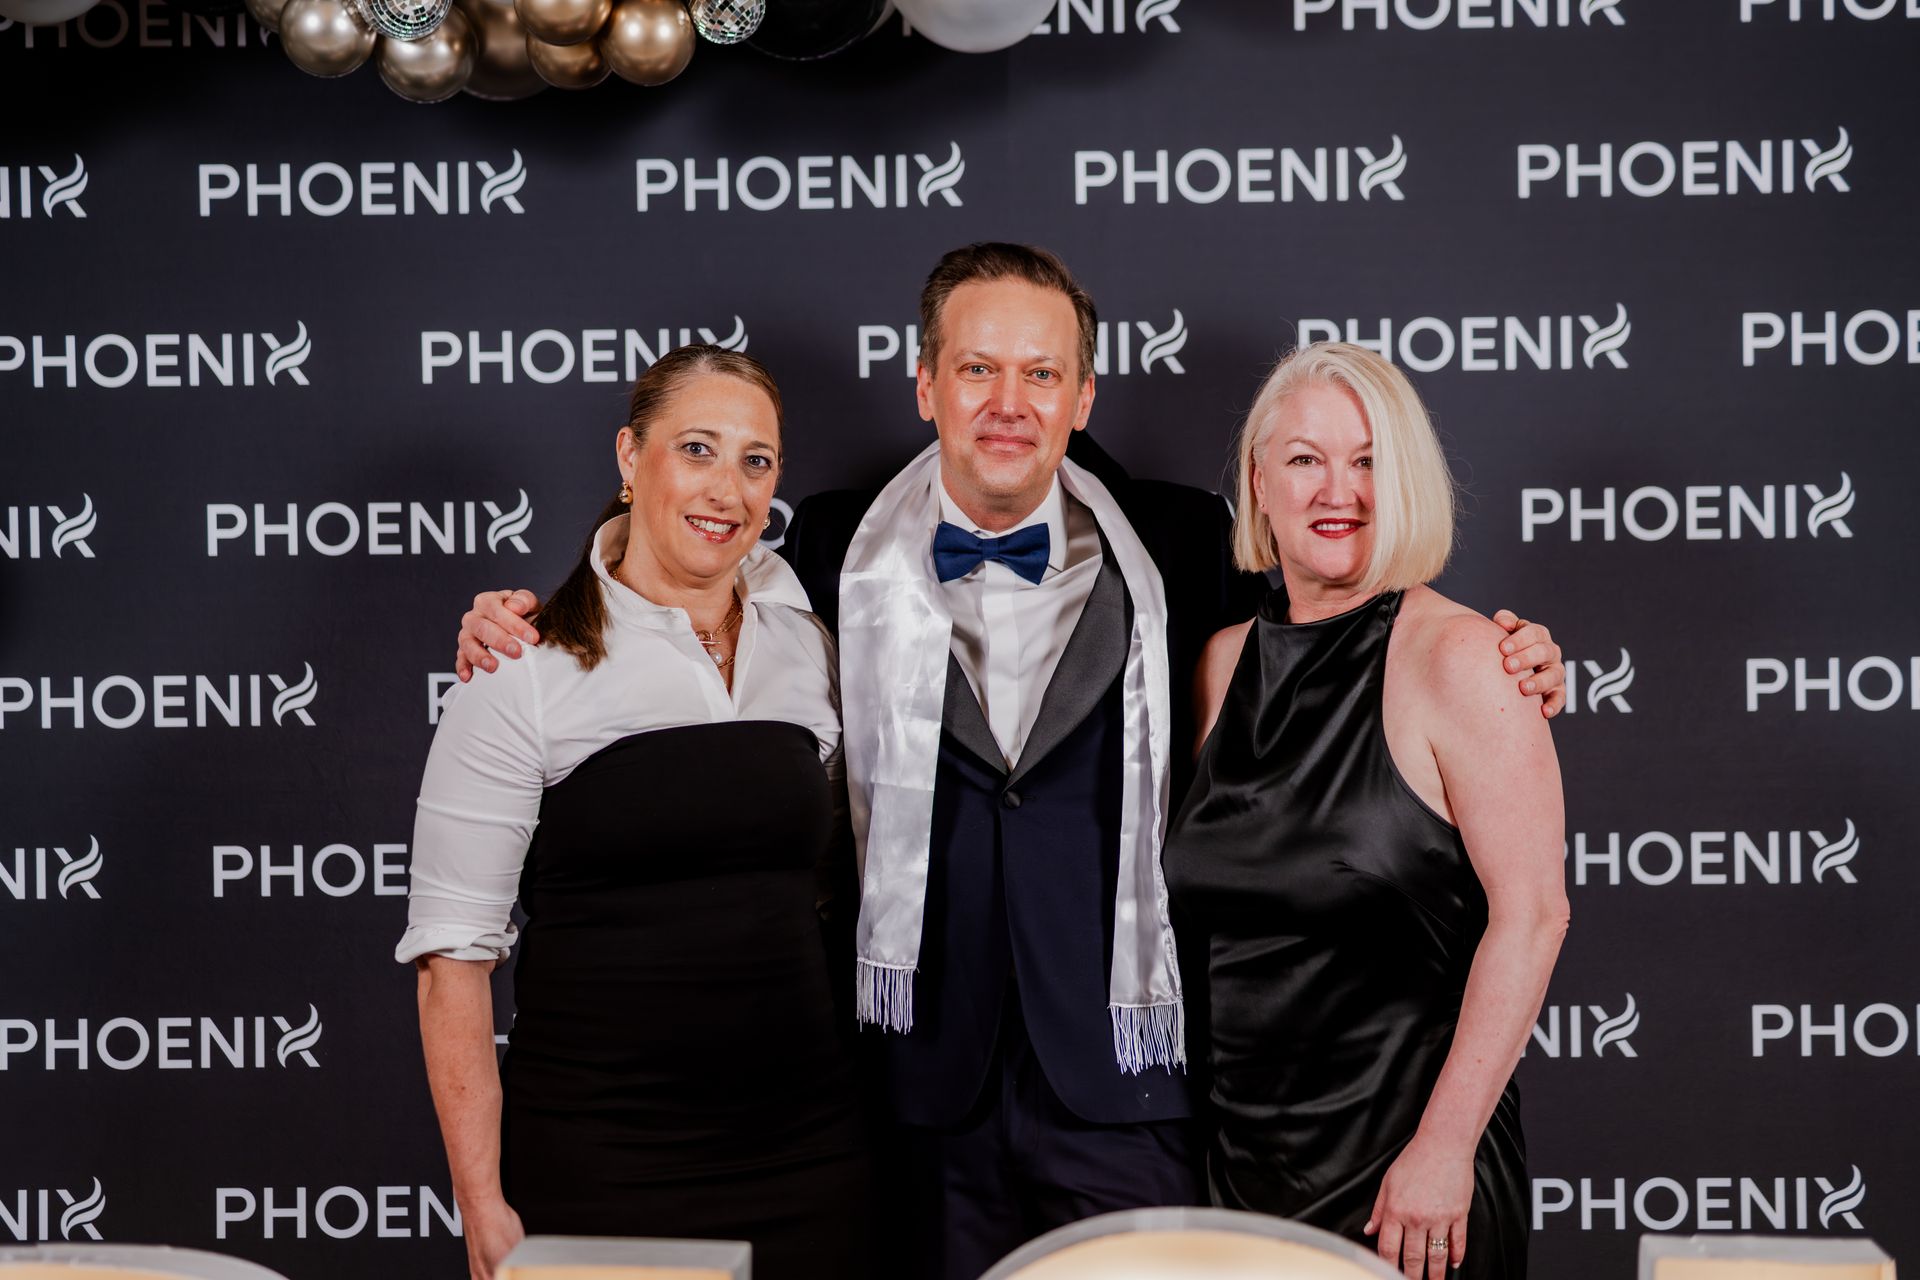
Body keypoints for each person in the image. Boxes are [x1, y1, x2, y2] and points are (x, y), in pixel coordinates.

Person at [454, 246, 1567, 1280]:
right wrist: (534, 620)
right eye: (978, 366)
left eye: (1042, 372)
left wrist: (1516, 652)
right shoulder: (834, 547)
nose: (1009, 401)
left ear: (1083, 399)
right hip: (914, 1087)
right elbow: (682, 581)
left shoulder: (1182, 543)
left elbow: (1345, 625)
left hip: (1132, 1092)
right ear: (926, 384)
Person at [399, 345, 869, 1280]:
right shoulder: (520, 673)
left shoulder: (807, 641)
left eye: (755, 460)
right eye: (696, 448)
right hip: (599, 1158)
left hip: (808, 1152)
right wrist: (481, 1201)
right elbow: (453, 959)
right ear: (628, 456)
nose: (727, 489)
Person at [1163, 342, 1569, 1279]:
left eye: (1368, 459)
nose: (1335, 489)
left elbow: (1535, 913)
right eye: (1304, 458)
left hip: (1411, 1188)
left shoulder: (1466, 659)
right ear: (1259, 482)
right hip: (1241, 1174)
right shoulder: (1221, 665)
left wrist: (1444, 1148)